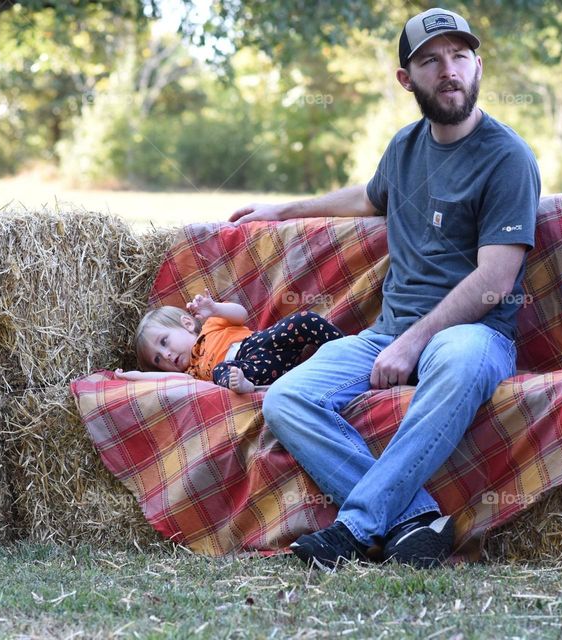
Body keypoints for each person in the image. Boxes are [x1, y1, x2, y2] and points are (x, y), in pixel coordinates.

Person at [229, 8, 541, 570]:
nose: (450, 71)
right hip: (386, 335)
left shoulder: (507, 158)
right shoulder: (406, 147)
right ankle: (414, 521)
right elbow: (368, 198)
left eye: (460, 56)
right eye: (431, 60)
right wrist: (281, 210)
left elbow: (495, 281)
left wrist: (413, 342)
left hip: (472, 336)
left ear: (478, 66)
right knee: (287, 399)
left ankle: (353, 529)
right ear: (407, 79)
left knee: (461, 360)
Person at [116, 290, 343, 394]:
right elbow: (160, 378)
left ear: (186, 323)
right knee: (221, 371)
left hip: (261, 345)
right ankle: (250, 389)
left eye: (164, 341)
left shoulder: (211, 325)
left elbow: (241, 314)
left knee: (304, 319)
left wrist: (214, 308)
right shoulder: (191, 375)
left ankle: (349, 351)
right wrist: (130, 376)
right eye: (157, 358)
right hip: (248, 373)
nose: (165, 355)